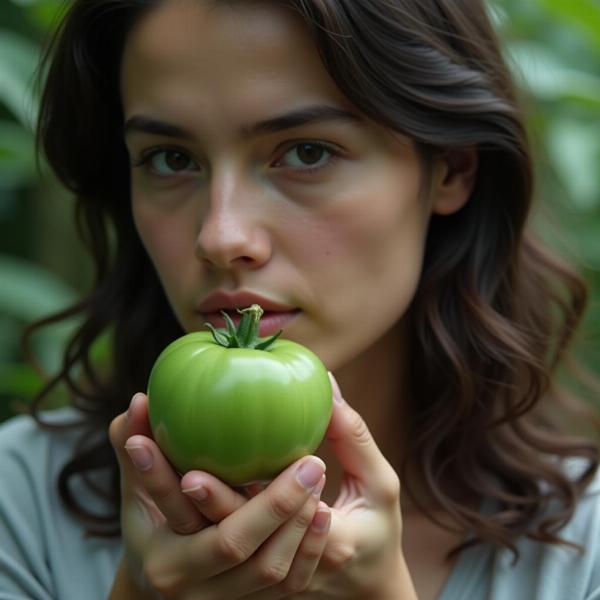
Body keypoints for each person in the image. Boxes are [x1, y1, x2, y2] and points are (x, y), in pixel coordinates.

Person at [1, 0, 599, 598]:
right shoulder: (17, 499)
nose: (221, 236)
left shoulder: (585, 547)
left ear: (451, 168)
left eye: (307, 152)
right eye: (171, 159)